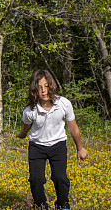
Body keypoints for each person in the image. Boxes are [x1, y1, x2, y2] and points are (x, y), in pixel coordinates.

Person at [16, 69, 88, 210]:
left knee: (60, 178)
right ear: (34, 90)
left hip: (58, 145)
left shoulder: (64, 104)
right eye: (39, 87)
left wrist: (80, 148)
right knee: (36, 179)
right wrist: (21, 135)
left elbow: (73, 128)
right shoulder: (29, 111)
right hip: (37, 147)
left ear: (51, 86)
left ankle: (63, 205)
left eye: (46, 85)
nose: (43, 90)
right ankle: (40, 205)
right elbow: (26, 128)